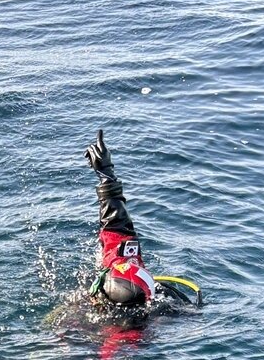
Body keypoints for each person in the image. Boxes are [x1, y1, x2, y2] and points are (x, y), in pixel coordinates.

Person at [82, 129, 201, 313]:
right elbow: (118, 230)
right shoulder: (169, 307)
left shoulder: (78, 318)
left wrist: (105, 173)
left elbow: (116, 231)